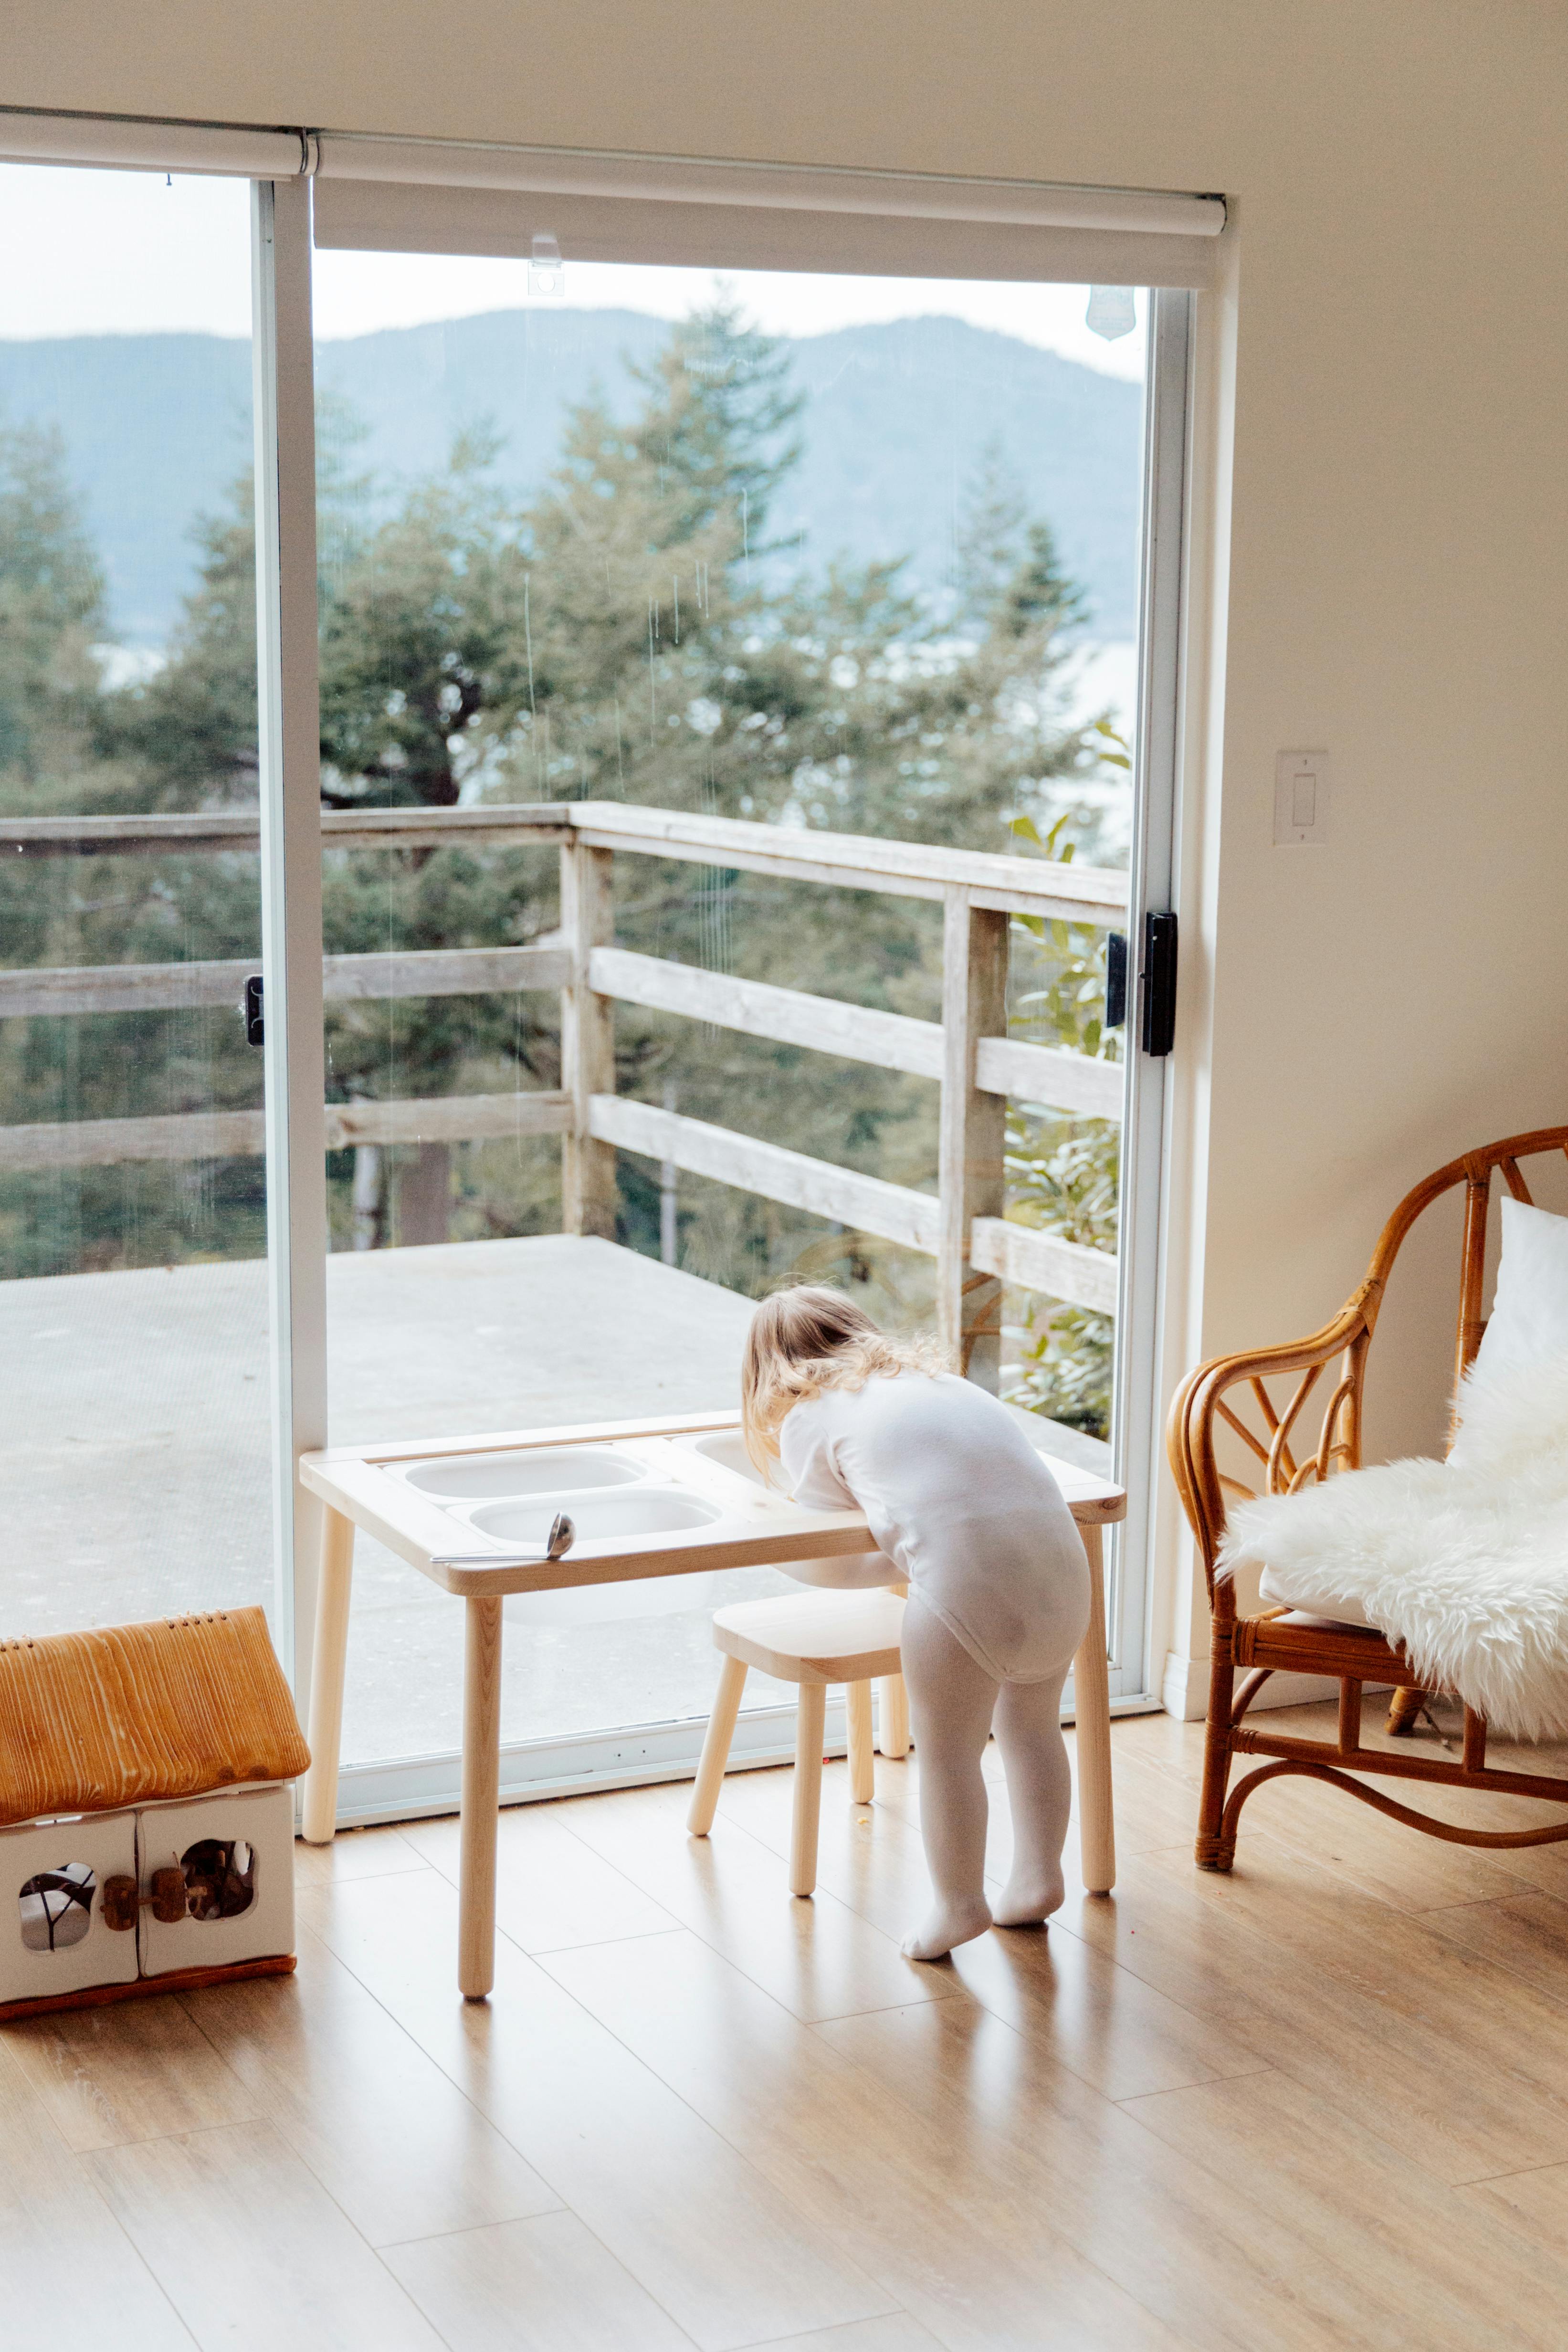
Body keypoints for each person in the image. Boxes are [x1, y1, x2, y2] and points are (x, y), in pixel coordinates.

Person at [740, 1284, 1090, 1959]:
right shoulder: (945, 1385)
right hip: (1062, 1576)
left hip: (964, 1596)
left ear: (769, 1370)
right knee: (1033, 1730)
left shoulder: (808, 1415)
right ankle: (1038, 1878)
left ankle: (959, 1906)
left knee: (950, 1754)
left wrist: (786, 1550)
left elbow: (831, 1564)